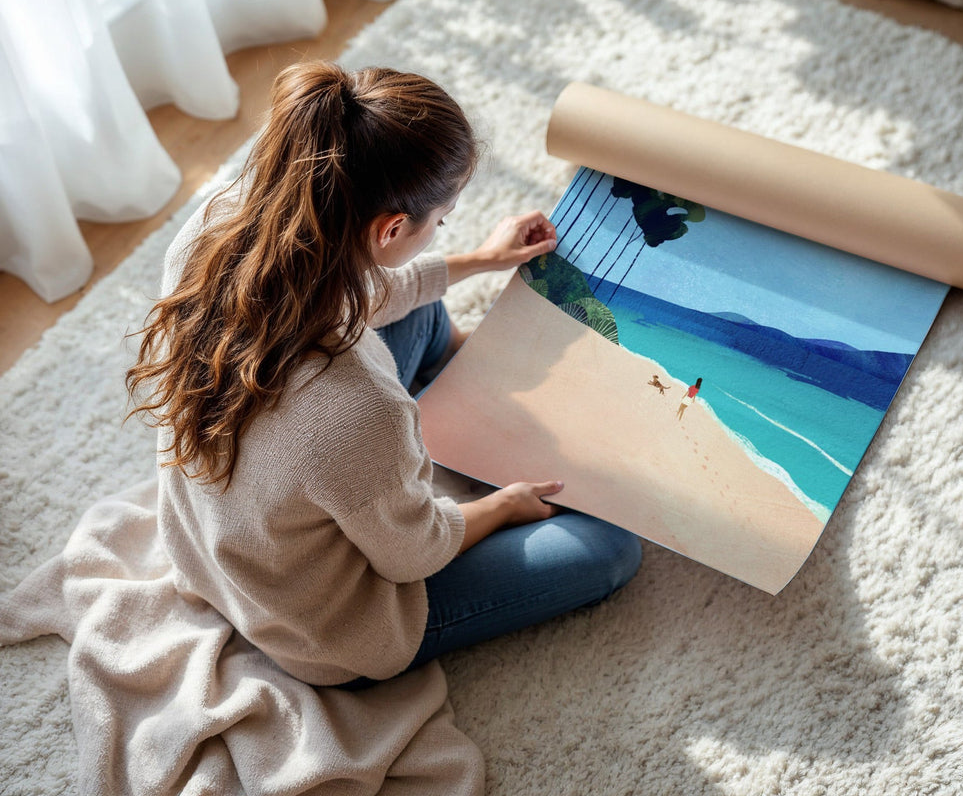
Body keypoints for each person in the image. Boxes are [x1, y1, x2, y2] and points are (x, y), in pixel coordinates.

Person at [126, 61, 641, 689]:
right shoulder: (358, 407)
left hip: (216, 543)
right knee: (610, 548)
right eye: (442, 221)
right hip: (320, 625)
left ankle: (470, 379)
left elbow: (367, 291)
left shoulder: (221, 221)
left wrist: (481, 259)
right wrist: (504, 505)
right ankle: (466, 409)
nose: (443, 230)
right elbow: (413, 554)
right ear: (392, 227)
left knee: (421, 312)